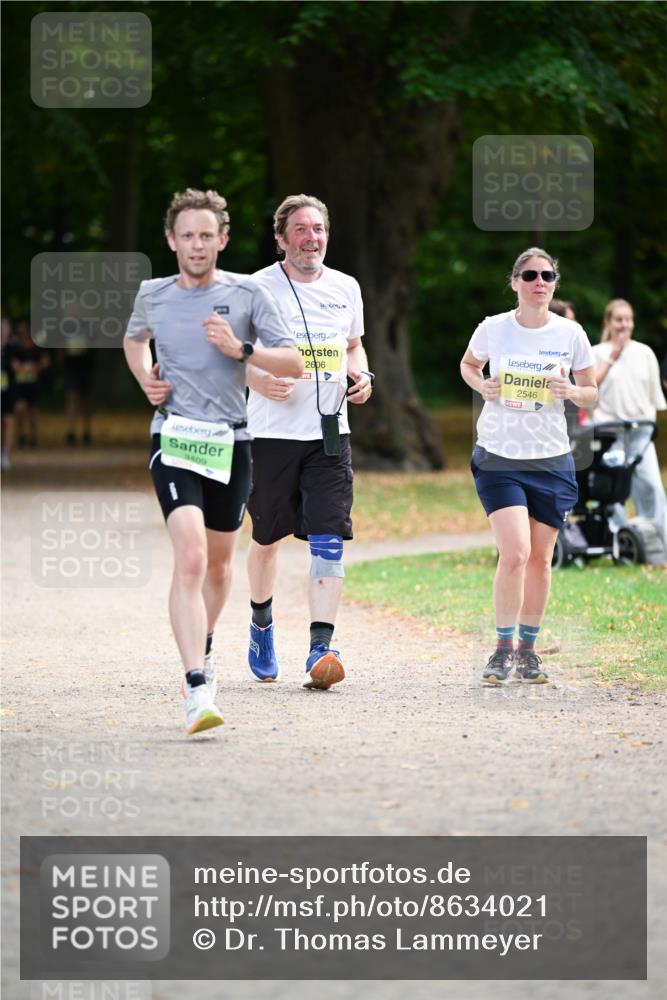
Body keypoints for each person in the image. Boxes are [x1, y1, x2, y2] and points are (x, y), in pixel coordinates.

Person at [123, 188, 303, 734]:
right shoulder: (153, 294)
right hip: (173, 437)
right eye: (186, 235)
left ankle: (200, 640)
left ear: (222, 240)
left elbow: (293, 362)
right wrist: (146, 377)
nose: (196, 245)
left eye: (207, 235)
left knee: (222, 566)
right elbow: (134, 341)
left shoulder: (248, 296)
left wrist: (242, 350)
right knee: (193, 558)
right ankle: (197, 685)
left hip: (231, 442)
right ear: (171, 240)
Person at [245, 194, 373, 690]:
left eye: (318, 228)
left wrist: (362, 377)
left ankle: (322, 648)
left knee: (328, 538)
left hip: (329, 432)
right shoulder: (256, 288)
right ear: (281, 239)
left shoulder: (346, 287)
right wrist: (254, 379)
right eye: (299, 229)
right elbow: (234, 354)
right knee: (266, 539)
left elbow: (353, 347)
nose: (310, 237)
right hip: (271, 434)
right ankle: (261, 626)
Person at [460, 248, 597, 685]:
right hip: (500, 456)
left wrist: (571, 391)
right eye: (530, 275)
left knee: (540, 559)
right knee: (515, 552)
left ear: (555, 283)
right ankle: (501, 649)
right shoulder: (493, 329)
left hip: (551, 458)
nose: (540, 281)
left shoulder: (571, 333)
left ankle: (529, 650)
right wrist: (482, 384)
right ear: (515, 282)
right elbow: (468, 364)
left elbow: (592, 390)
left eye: (548, 275)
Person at [592, 298, 667, 543]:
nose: (624, 325)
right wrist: (612, 356)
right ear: (608, 322)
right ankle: (619, 542)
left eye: (628, 319)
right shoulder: (596, 353)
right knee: (614, 491)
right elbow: (589, 391)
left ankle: (660, 543)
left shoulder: (645, 353)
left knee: (653, 487)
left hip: (641, 434)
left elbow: (654, 398)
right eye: (619, 319)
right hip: (609, 434)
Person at [13, 319, 49, 447]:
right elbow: (12, 362)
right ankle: (21, 435)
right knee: (19, 408)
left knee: (32, 410)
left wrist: (35, 367)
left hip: (33, 384)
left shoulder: (37, 346)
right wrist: (18, 367)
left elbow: (45, 361)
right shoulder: (16, 346)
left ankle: (33, 437)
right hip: (20, 384)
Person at [1, 318, 17, 470]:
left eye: (5, 327)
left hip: (8, 389)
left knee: (7, 421)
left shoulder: (13, 348)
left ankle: (5, 455)